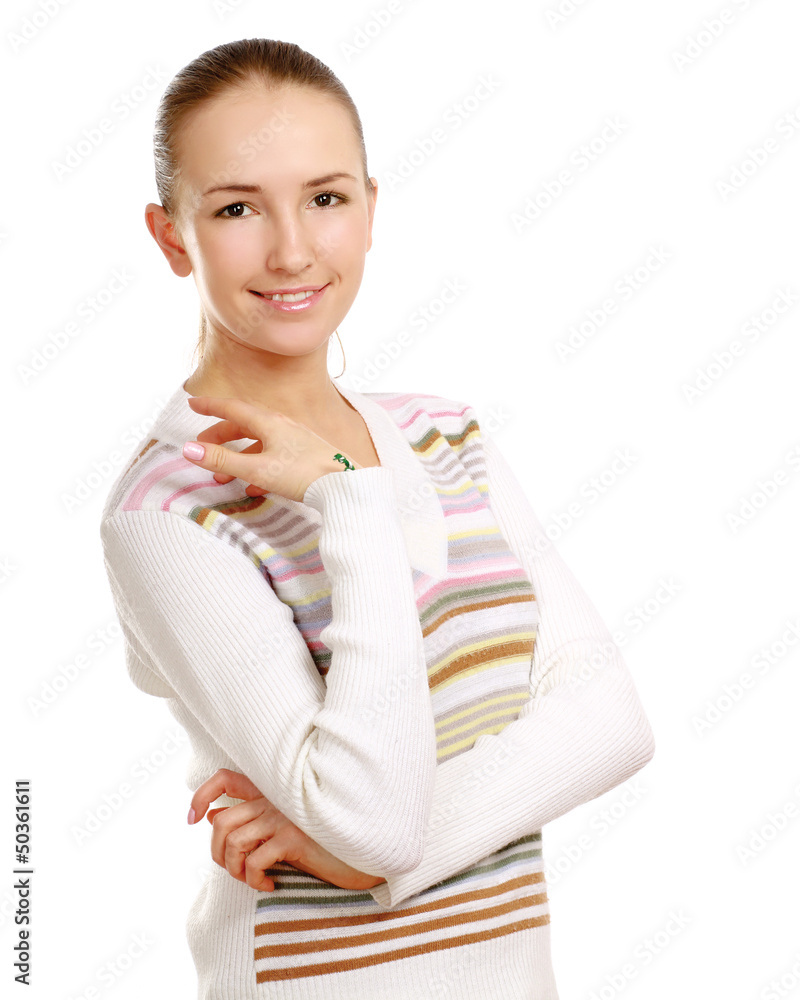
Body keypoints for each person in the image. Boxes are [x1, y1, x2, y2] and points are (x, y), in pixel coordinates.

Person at [99, 37, 656, 1000]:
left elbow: (613, 722)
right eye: (236, 208)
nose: (292, 250)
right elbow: (370, 818)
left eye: (326, 198)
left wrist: (372, 859)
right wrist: (348, 501)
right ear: (171, 235)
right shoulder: (165, 512)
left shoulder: (446, 435)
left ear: (368, 209)